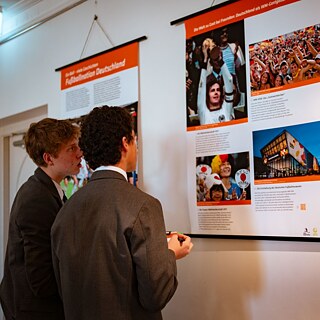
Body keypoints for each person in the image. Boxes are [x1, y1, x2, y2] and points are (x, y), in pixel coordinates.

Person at [51, 105, 193, 320]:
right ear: (125, 143)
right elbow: (155, 295)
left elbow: (64, 287)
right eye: (135, 139)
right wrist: (170, 253)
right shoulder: (144, 205)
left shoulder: (66, 210)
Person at [0, 118, 83, 320]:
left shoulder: (46, 190)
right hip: (35, 311)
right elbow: (41, 279)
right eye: (71, 148)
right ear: (49, 158)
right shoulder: (36, 198)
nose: (80, 153)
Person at [196, 45, 234, 124]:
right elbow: (201, 89)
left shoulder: (226, 108)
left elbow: (229, 80)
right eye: (212, 90)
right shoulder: (203, 112)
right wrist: (205, 59)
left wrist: (219, 60)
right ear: (207, 95)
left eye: (218, 90)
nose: (216, 92)